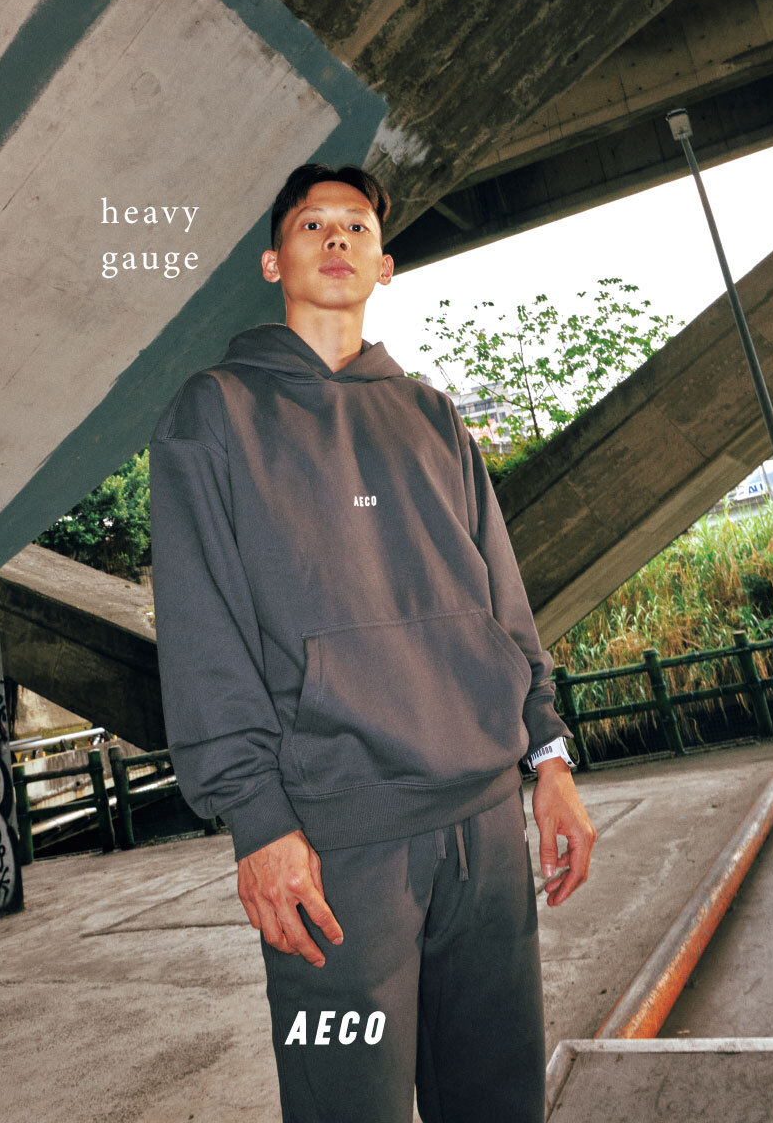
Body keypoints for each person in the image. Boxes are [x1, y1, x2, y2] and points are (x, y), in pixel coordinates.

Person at [149, 162, 597, 1123]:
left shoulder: (432, 413)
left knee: (499, 1101)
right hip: (335, 852)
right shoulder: (213, 413)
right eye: (313, 224)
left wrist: (549, 759)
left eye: (357, 226)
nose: (337, 238)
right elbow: (201, 634)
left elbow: (502, 600)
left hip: (485, 828)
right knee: (349, 1105)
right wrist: (258, 823)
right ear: (273, 262)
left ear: (385, 265)